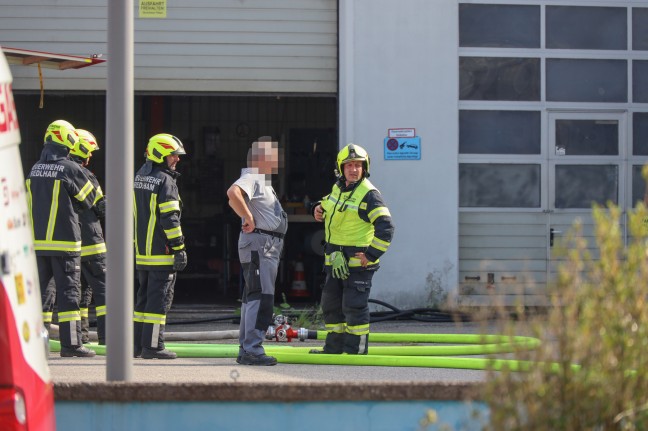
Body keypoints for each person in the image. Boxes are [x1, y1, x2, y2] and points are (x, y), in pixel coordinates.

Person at [310, 144, 395, 355]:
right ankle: (334, 348)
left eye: (358, 165)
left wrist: (371, 255)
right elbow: (330, 205)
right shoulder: (339, 188)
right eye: (349, 165)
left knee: (354, 308)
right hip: (335, 262)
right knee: (331, 306)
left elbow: (386, 227)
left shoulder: (369, 194)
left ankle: (356, 351)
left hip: (358, 264)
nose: (354, 169)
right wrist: (318, 208)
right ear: (341, 168)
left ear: (365, 168)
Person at [26, 120, 101, 357]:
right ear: (67, 140)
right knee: (69, 295)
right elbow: (90, 201)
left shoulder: (35, 168)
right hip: (65, 243)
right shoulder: (70, 168)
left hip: (37, 245)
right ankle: (71, 345)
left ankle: (38, 345)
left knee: (41, 297)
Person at [227, 136, 287, 366]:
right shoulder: (252, 176)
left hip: (263, 244)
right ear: (260, 158)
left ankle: (247, 348)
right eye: (272, 156)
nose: (276, 161)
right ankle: (253, 349)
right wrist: (248, 216)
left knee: (253, 295)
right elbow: (233, 193)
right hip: (261, 245)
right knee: (260, 297)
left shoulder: (260, 180)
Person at [133, 133, 188, 359]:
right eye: (173, 155)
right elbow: (170, 219)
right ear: (160, 154)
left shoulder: (138, 177)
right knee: (158, 304)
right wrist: (179, 247)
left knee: (142, 302)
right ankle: (154, 347)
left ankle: (136, 346)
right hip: (161, 254)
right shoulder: (166, 181)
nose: (177, 159)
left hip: (142, 255)